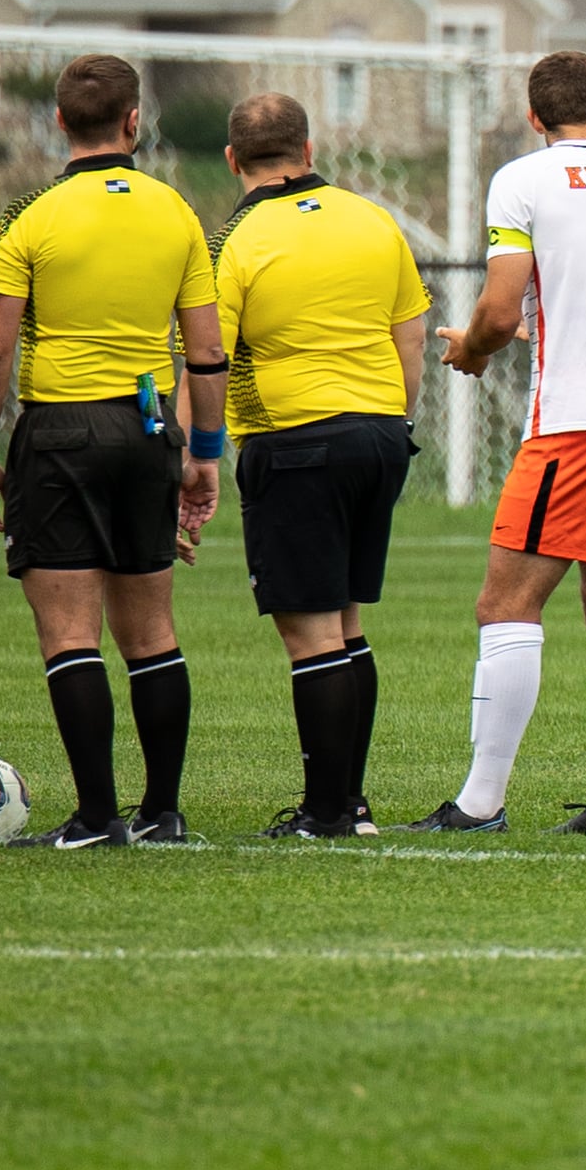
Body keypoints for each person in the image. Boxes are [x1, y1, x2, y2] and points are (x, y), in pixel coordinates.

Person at [0, 54, 222, 848]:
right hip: (147, 432)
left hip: (61, 430)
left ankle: (97, 817)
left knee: (71, 632)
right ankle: (164, 813)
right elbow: (207, 352)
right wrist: (202, 452)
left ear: (60, 123)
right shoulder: (176, 211)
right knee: (152, 631)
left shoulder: (29, 217)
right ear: (135, 122)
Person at [422, 52, 586, 835]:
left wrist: (469, 348)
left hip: (579, 421)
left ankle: (480, 802)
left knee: (505, 603)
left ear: (534, 117)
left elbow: (500, 312)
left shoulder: (525, 179)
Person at [211, 92, 431, 838]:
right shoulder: (373, 218)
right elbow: (411, 334)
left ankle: (326, 811)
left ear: (234, 159)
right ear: (309, 151)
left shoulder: (235, 238)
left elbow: (209, 357)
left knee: (311, 638)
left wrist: (197, 454)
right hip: (379, 435)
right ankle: (351, 802)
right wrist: (397, 423)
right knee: (345, 624)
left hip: (295, 438)